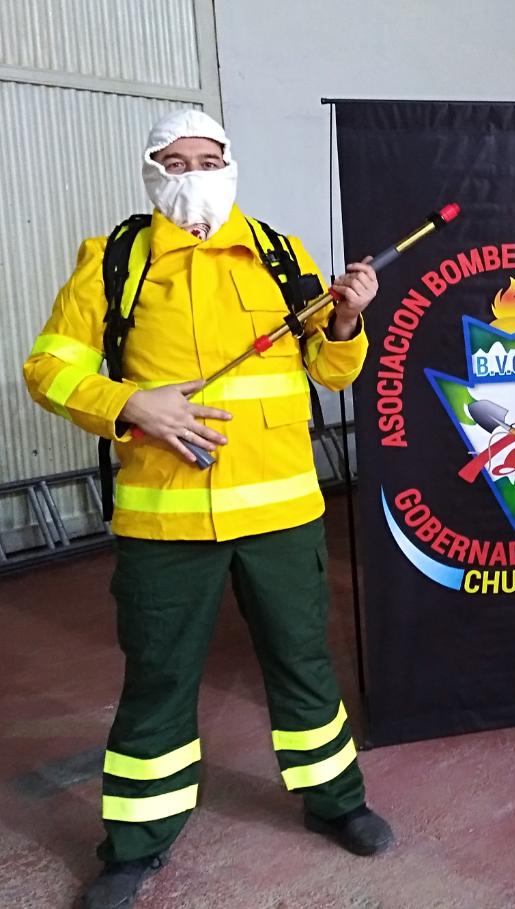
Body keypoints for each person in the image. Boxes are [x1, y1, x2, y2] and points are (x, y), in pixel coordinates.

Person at [23, 110, 392, 909]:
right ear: (152, 171)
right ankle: (133, 845)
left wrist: (350, 317)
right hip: (166, 523)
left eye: (208, 157)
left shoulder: (279, 254)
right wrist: (131, 404)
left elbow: (331, 370)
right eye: (175, 159)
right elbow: (48, 367)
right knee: (157, 678)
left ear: (231, 164)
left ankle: (338, 802)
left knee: (303, 663)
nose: (193, 172)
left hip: (283, 513)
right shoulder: (114, 260)